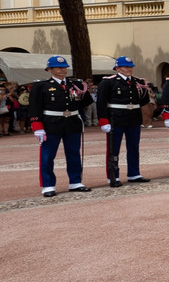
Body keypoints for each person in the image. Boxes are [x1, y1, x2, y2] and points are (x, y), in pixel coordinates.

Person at [30, 55, 94, 197]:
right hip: (51, 124)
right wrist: (37, 126)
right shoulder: (41, 86)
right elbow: (35, 107)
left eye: (64, 67)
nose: (63, 70)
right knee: (47, 156)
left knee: (73, 154)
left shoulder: (75, 84)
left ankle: (75, 181)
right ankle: (48, 185)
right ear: (50, 69)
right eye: (59, 67)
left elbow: (85, 101)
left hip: (72, 122)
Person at [96, 56, 152, 187]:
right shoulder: (108, 82)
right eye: (126, 67)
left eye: (131, 66)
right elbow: (101, 102)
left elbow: (144, 100)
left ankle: (134, 173)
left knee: (133, 147)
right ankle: (112, 176)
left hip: (133, 117)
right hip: (116, 118)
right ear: (118, 68)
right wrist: (103, 121)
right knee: (113, 149)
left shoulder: (138, 81)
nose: (129, 69)